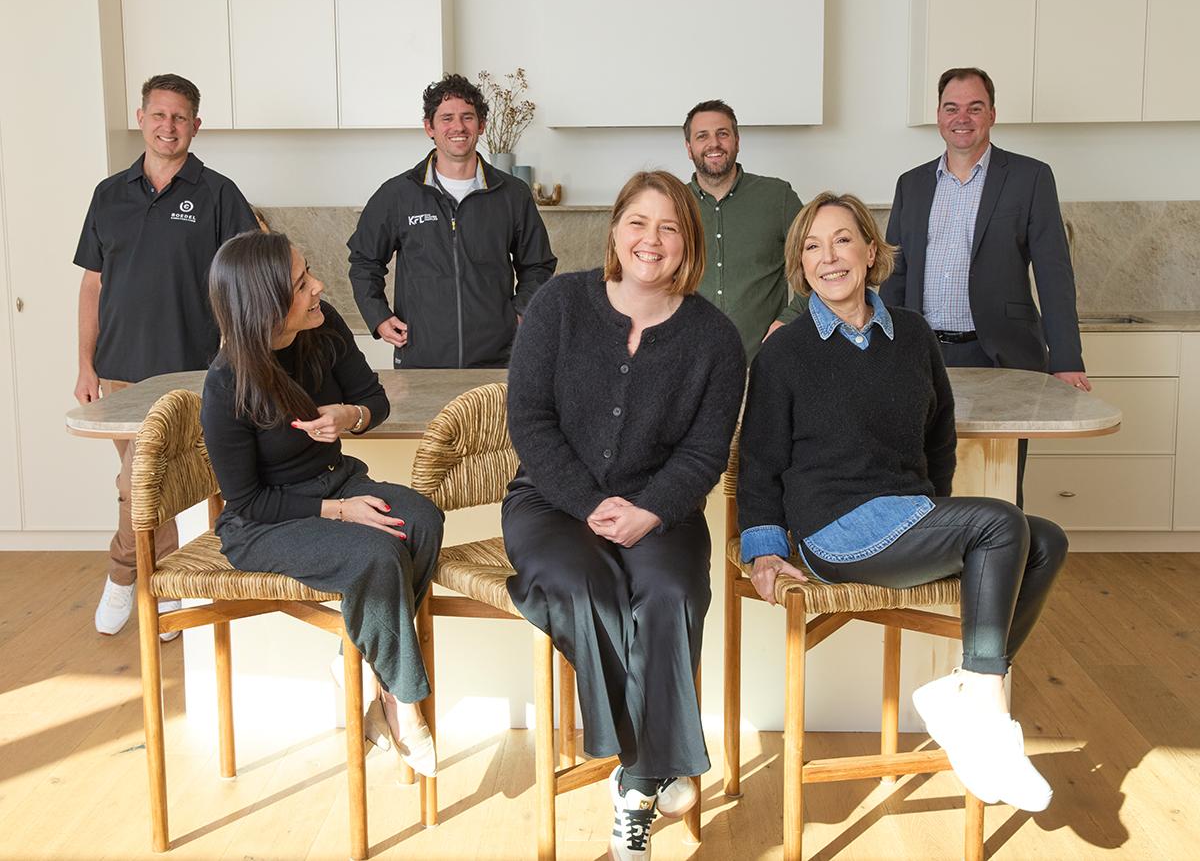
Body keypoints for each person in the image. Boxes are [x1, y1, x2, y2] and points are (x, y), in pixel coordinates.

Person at [738, 192, 1068, 813]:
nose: (827, 257)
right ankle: (988, 714)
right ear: (799, 264)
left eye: (841, 240)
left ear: (870, 251)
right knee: (998, 524)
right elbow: (759, 460)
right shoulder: (785, 350)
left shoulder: (912, 335)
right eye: (811, 246)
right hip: (832, 531)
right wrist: (763, 549)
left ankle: (969, 687)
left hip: (907, 518)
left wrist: (941, 522)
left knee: (1046, 540)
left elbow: (938, 435)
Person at [503, 171, 745, 859]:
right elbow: (530, 419)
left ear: (687, 243)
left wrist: (649, 510)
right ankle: (654, 760)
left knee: (668, 595)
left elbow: (706, 452)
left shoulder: (716, 339)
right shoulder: (559, 304)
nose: (652, 239)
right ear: (615, 231)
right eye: (639, 222)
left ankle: (633, 791)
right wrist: (588, 502)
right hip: (552, 502)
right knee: (584, 586)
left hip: (662, 512)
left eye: (670, 227)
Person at [201, 230, 444, 776]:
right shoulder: (227, 384)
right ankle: (401, 702)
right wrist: (341, 512)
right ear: (265, 303)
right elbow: (249, 501)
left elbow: (373, 400)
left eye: (309, 273)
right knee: (375, 555)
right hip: (266, 522)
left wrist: (347, 417)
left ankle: (353, 658)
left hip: (337, 481)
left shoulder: (322, 323)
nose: (319, 287)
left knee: (422, 520)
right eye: (302, 283)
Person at [73, 73, 258, 638]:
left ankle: (124, 576)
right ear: (141, 118)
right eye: (159, 115)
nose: (168, 126)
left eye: (180, 117)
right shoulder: (109, 194)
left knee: (168, 483)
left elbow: (246, 275)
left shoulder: (219, 193)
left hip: (196, 372)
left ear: (195, 126)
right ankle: (161, 588)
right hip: (122, 373)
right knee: (145, 484)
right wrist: (85, 364)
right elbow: (92, 286)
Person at [879, 66, 1090, 505]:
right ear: (938, 115)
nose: (963, 117)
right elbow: (895, 275)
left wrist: (1067, 359)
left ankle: (998, 567)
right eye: (952, 108)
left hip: (1002, 356)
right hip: (925, 354)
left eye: (975, 108)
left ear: (992, 114)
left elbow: (1053, 273)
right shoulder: (911, 184)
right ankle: (933, 566)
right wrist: (884, 350)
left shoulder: (1030, 177)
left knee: (999, 483)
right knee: (922, 475)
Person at [347, 73, 557, 369]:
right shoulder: (398, 194)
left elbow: (538, 264)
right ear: (429, 128)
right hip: (421, 361)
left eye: (467, 117)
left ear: (481, 125)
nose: (458, 127)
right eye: (446, 118)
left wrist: (520, 312)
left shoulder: (512, 194)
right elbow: (364, 261)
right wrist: (378, 316)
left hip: (497, 361)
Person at [683, 99, 804, 361]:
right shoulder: (672, 203)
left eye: (722, 134)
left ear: (737, 141)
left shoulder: (777, 196)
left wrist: (790, 320)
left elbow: (819, 267)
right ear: (689, 148)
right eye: (702, 136)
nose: (713, 143)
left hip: (763, 365)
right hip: (688, 365)